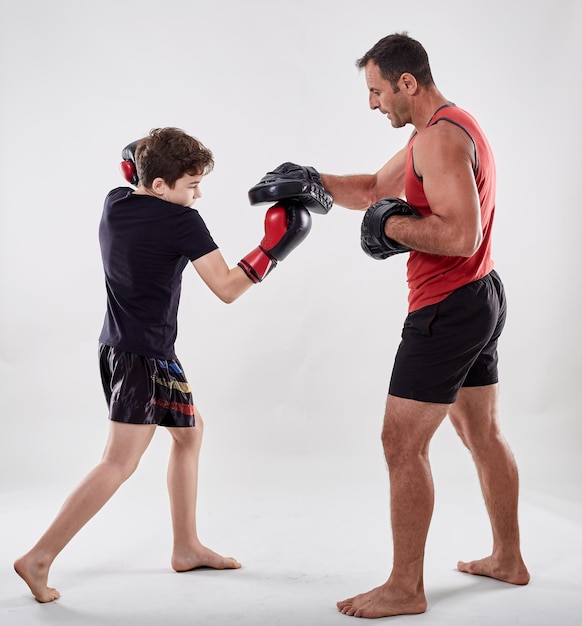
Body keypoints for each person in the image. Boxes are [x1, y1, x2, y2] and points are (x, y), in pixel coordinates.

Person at [13, 127, 314, 603]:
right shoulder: (182, 223)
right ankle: (39, 557)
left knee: (189, 434)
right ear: (159, 186)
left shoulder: (115, 201)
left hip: (118, 348)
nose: (198, 195)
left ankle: (186, 546)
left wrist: (152, 153)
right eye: (192, 185)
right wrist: (275, 247)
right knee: (118, 462)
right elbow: (228, 288)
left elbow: (136, 158)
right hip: (144, 357)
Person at [301, 32, 530, 618]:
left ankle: (406, 587)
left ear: (408, 83)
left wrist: (392, 230)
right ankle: (508, 558)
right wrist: (310, 181)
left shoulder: (441, 142)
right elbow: (377, 191)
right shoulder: (440, 130)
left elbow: (460, 235)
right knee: (482, 434)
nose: (373, 104)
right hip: (479, 296)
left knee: (400, 443)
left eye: (378, 92)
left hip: (447, 307)